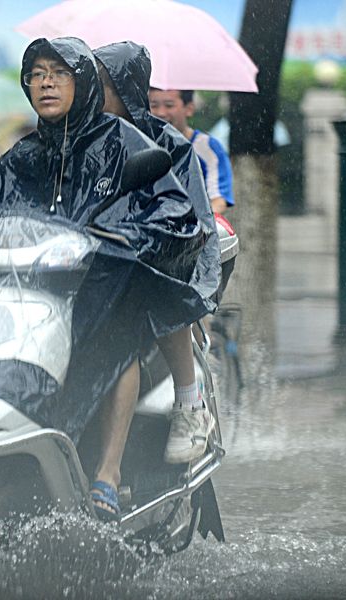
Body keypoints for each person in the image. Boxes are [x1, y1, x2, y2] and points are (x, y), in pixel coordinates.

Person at [0, 37, 209, 521]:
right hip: (31, 287)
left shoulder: (126, 143)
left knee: (115, 338)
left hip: (96, 289)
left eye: (58, 73)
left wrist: (129, 237)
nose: (44, 82)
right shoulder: (26, 152)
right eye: (36, 73)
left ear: (81, 83)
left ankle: (107, 473)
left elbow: (171, 209)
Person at [94, 41, 220, 464]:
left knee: (159, 286)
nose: (93, 92)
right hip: (92, 259)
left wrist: (143, 236)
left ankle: (189, 402)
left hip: (154, 255)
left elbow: (185, 214)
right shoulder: (79, 138)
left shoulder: (166, 143)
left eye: (104, 84)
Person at [148, 88, 234, 214]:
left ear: (189, 109)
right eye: (154, 105)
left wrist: (191, 223)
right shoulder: (139, 143)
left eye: (169, 105)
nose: (161, 113)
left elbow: (218, 201)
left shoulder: (207, 148)